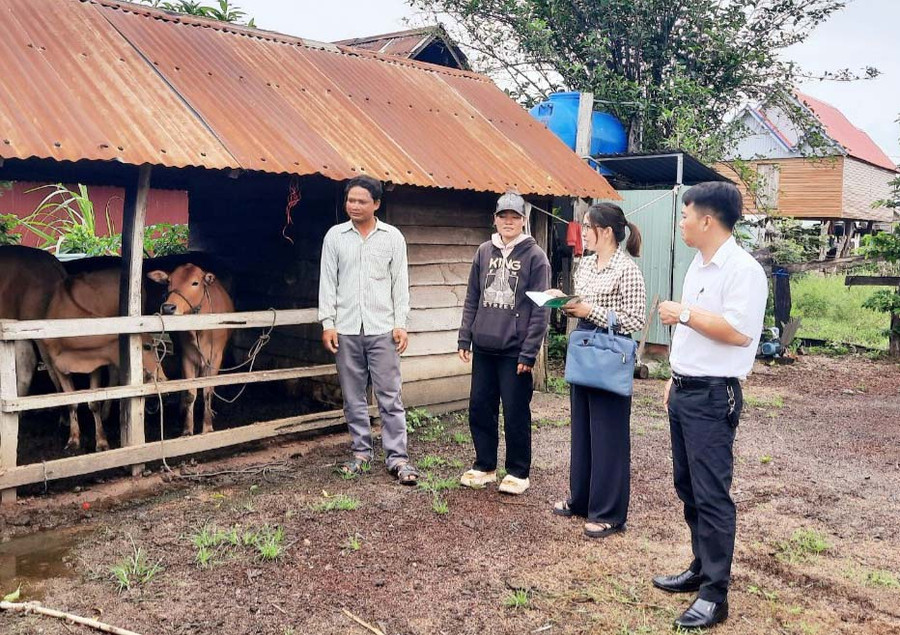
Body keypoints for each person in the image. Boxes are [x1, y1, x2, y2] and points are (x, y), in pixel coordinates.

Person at [654, 181, 767, 630]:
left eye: (684, 215)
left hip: (714, 395)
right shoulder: (698, 267)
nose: (680, 222)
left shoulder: (743, 270)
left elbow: (739, 332)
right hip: (686, 390)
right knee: (688, 487)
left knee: (712, 495)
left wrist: (682, 313)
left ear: (706, 219)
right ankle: (701, 567)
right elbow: (692, 334)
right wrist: (674, 375)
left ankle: (715, 595)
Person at [549, 203, 646, 538]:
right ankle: (581, 499)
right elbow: (583, 302)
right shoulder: (586, 264)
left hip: (611, 353)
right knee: (583, 430)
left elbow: (634, 319)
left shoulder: (627, 269)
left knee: (609, 436)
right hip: (585, 349)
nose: (583, 232)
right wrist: (563, 299)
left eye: (588, 227)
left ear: (606, 231)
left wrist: (593, 311)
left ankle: (609, 513)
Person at [318, 175, 419, 484]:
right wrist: (328, 323)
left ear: (376, 204)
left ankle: (397, 458)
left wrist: (401, 323)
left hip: (382, 329)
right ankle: (361, 452)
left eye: (362, 201)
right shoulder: (335, 237)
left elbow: (400, 284)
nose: (355, 206)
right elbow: (328, 282)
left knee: (389, 395)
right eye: (351, 200)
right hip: (346, 329)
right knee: (352, 396)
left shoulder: (392, 238)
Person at [457, 191, 551, 495]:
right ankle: (484, 466)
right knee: (480, 407)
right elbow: (472, 296)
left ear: (523, 220)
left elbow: (541, 307)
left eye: (514, 217)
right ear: (495, 219)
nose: (508, 222)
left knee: (515, 411)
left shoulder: (535, 257)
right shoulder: (484, 252)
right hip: (484, 345)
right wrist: (465, 336)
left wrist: (530, 350)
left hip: (515, 351)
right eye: (503, 216)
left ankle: (518, 471)